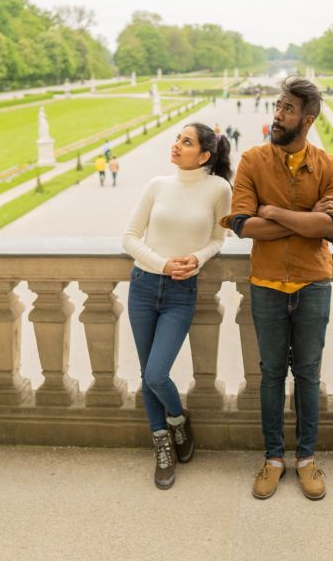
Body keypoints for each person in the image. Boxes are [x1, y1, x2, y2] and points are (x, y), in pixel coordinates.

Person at [220, 77, 333, 502]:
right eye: (277, 106)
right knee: (271, 374)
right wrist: (300, 216)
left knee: (308, 374)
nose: (277, 114)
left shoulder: (330, 166)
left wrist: (271, 212)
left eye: (287, 109)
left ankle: (306, 459)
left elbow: (329, 228)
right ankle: (274, 458)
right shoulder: (253, 161)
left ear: (307, 119)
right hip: (266, 284)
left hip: (312, 283)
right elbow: (241, 225)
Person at [122, 123, 233, 490]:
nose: (176, 145)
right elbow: (129, 237)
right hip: (143, 287)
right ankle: (164, 441)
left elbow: (219, 237)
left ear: (204, 155)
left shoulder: (219, 188)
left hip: (181, 293)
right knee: (147, 374)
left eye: (186, 142)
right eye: (176, 139)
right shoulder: (157, 185)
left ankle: (178, 420)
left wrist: (196, 259)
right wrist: (163, 264)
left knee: (156, 375)